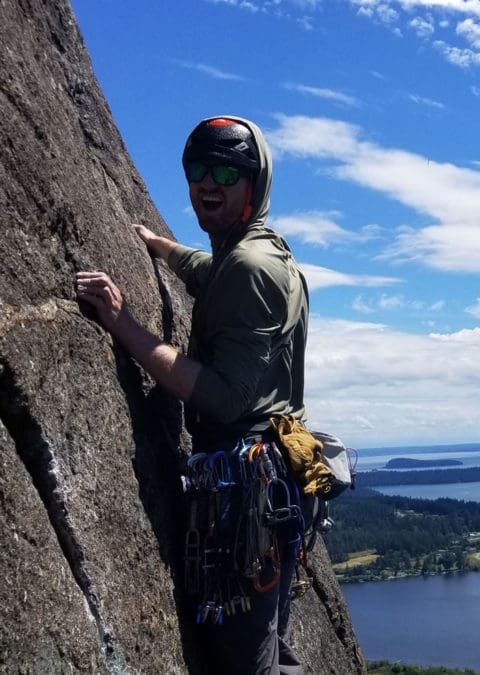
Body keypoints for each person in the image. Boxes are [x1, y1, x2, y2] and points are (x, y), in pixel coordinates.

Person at [76, 116, 308, 674]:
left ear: (254, 186)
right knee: (265, 644)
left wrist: (121, 323)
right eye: (197, 169)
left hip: (245, 491)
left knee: (242, 663)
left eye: (227, 172)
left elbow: (225, 398)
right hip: (273, 482)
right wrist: (161, 247)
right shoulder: (253, 251)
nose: (208, 183)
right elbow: (213, 272)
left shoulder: (251, 265)